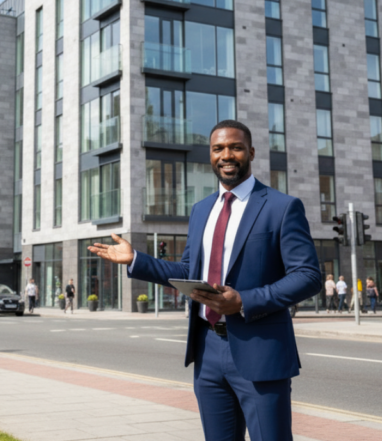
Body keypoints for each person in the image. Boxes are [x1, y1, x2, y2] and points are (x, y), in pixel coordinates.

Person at [89, 120, 321, 441]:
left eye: (236, 147)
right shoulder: (201, 210)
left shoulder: (282, 207)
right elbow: (188, 273)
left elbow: (308, 276)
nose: (227, 155)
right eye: (218, 149)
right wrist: (136, 260)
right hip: (208, 350)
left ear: (251, 152)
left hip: (260, 351)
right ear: (210, 156)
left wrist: (244, 301)